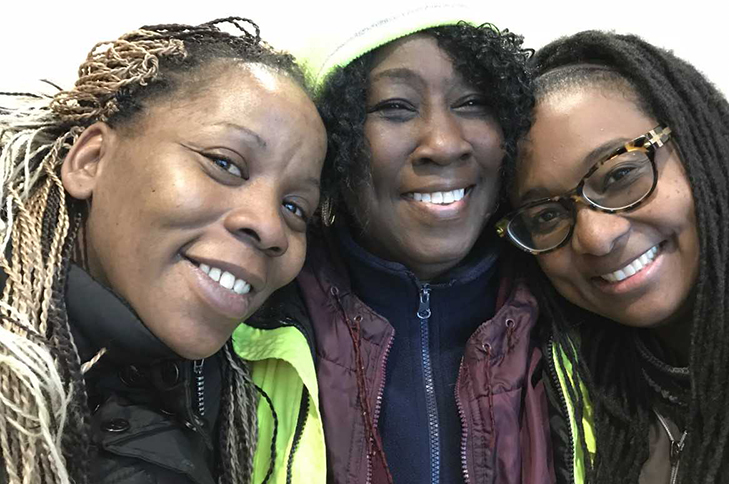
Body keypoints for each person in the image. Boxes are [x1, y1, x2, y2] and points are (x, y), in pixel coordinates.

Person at [235, 4, 553, 484]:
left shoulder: (570, 319)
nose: (444, 144)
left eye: (473, 103)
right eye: (395, 107)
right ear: (333, 140)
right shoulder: (251, 325)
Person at [0, 18, 326, 484]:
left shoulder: (252, 405)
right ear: (92, 160)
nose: (271, 227)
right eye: (225, 164)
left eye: (295, 207)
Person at [496, 30, 729, 483]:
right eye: (545, 216)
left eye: (620, 174)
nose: (596, 238)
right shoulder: (573, 391)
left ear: (701, 143)